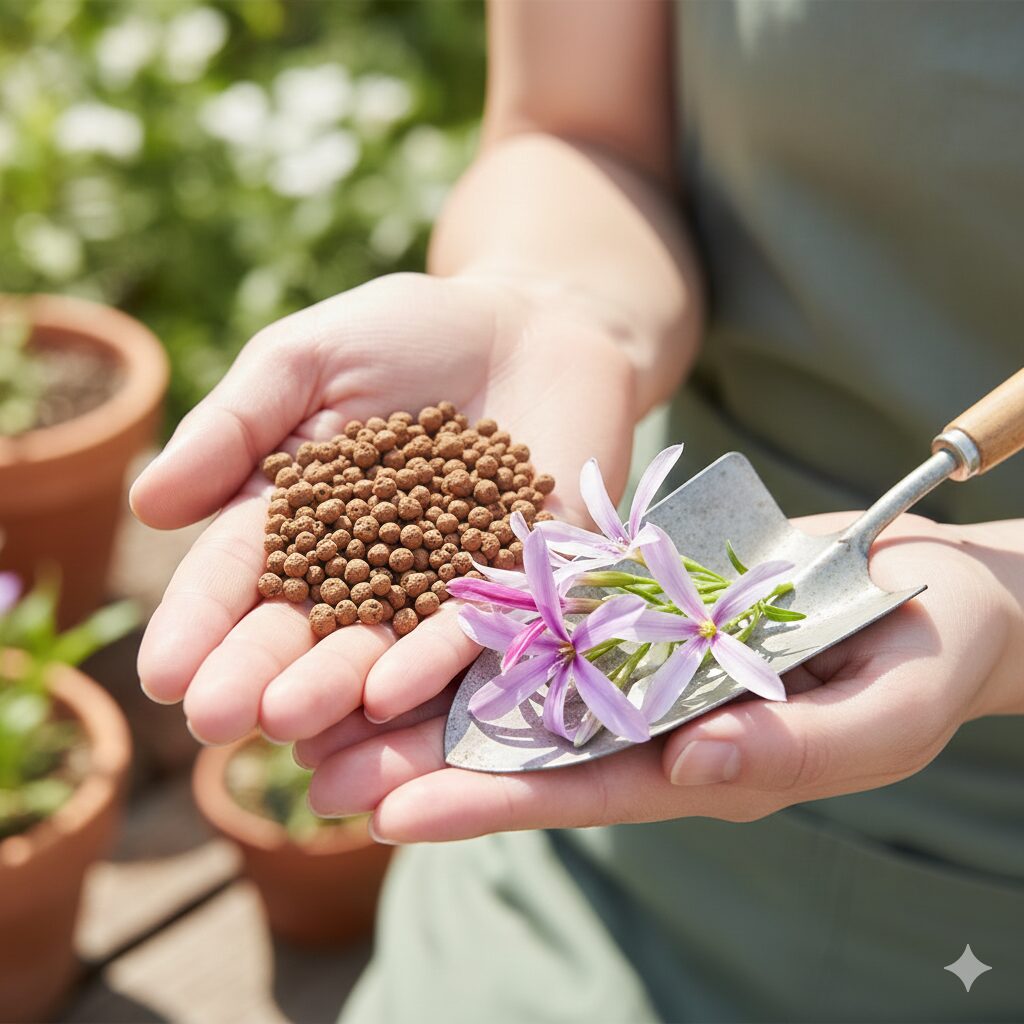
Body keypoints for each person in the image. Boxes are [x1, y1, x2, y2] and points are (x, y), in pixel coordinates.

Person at [130, 2, 1024, 1020]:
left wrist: (1006, 614)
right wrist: (555, 304)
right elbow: (576, 131)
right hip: (604, 681)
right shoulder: (502, 521)